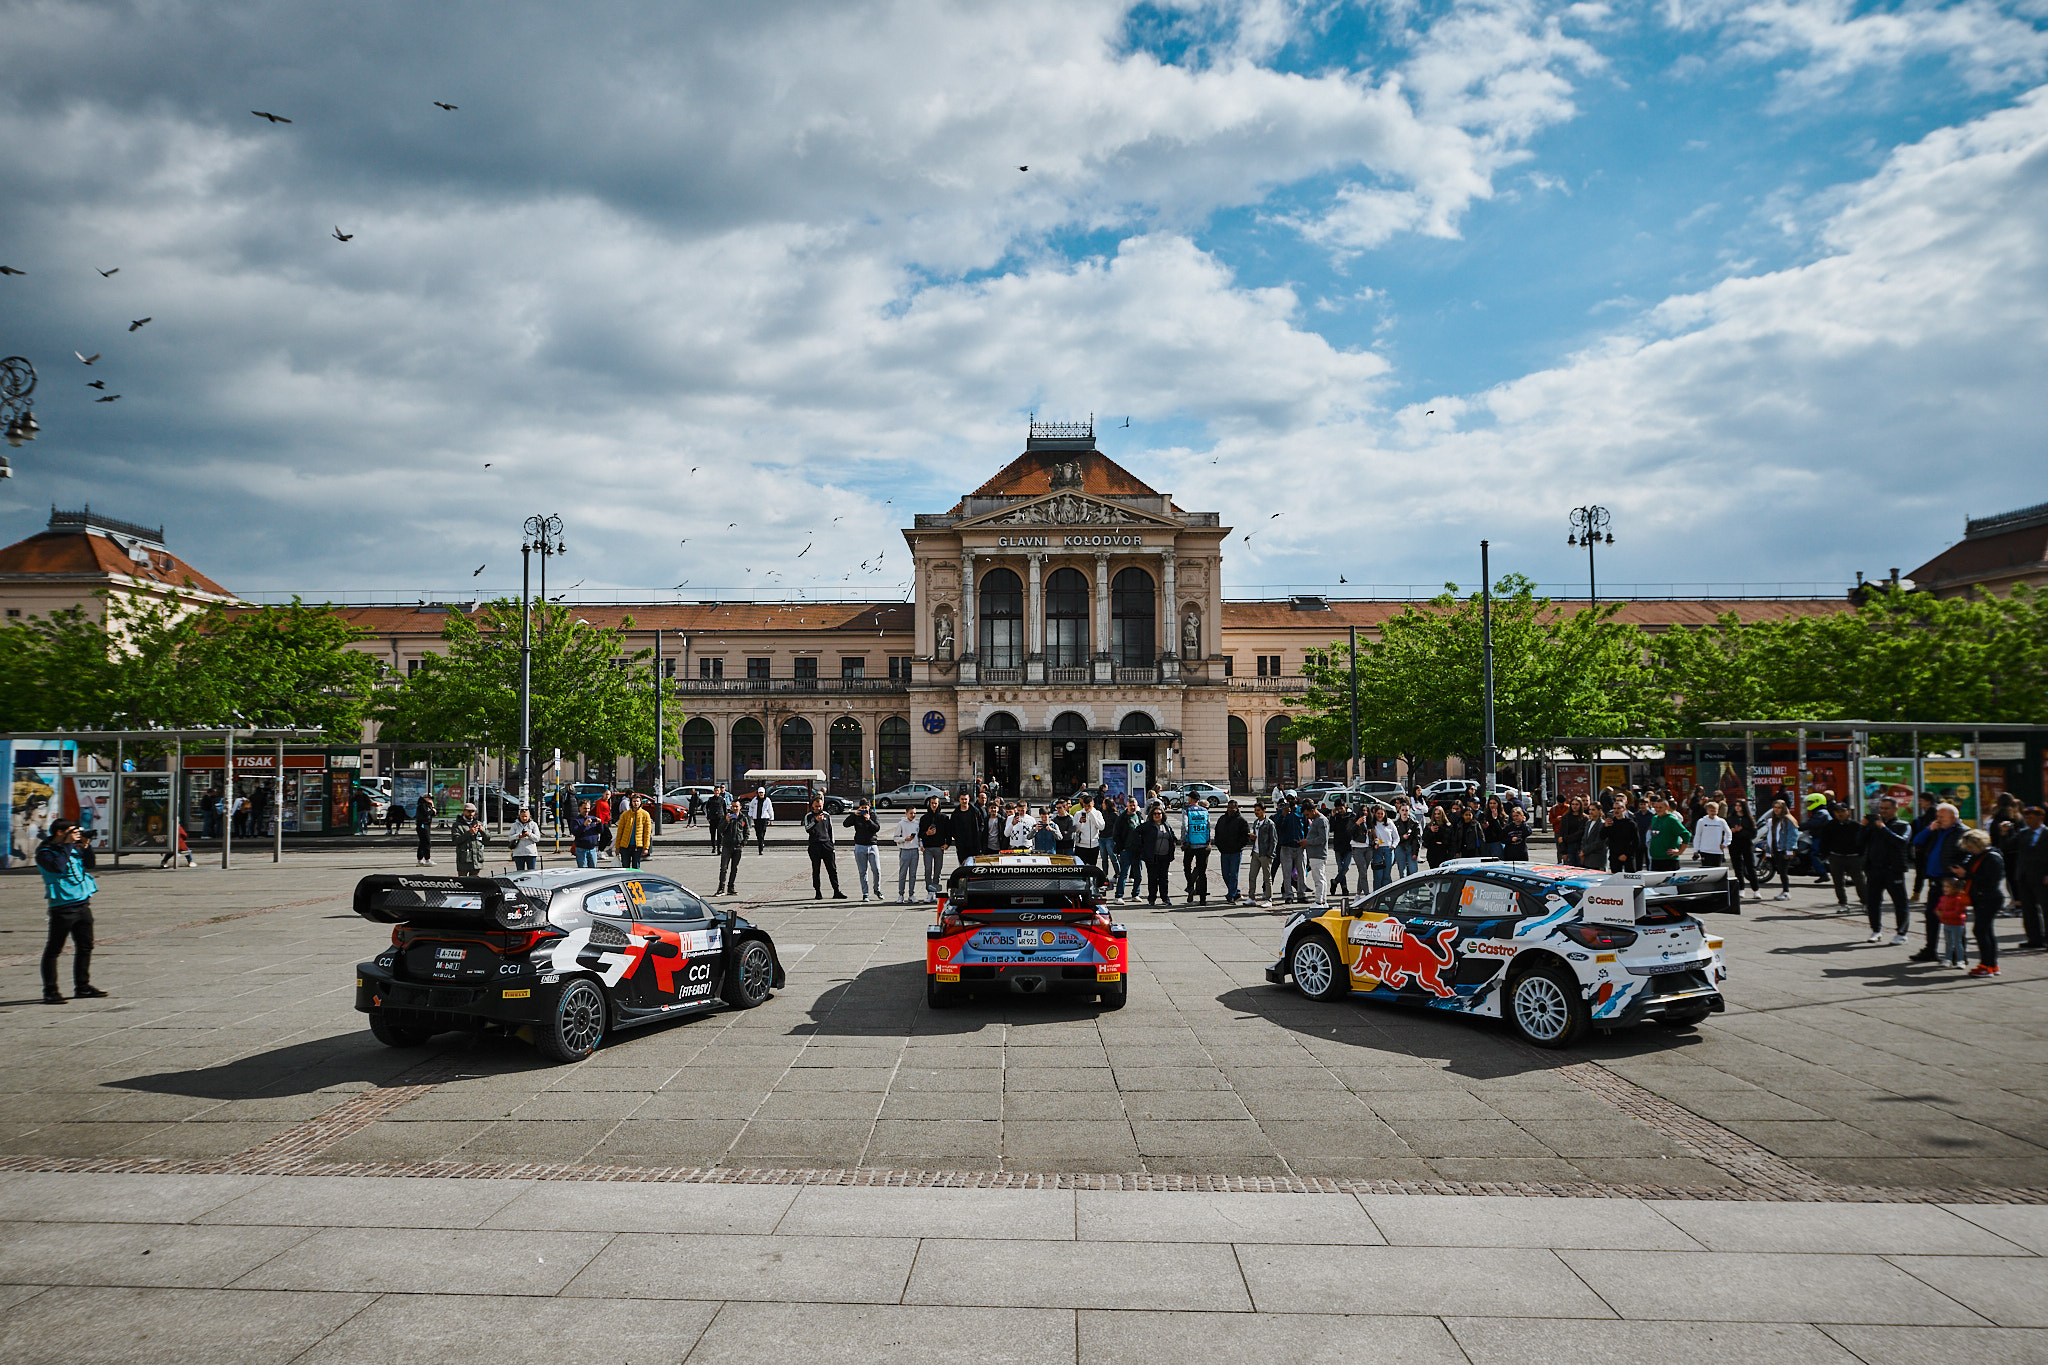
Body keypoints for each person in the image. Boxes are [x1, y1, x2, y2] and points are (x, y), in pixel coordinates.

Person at [38, 820, 107, 1005]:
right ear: (59, 832)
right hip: (62, 907)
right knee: (54, 950)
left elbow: (90, 864)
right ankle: (50, 991)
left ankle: (82, 987)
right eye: (72, 831)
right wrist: (68, 845)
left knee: (85, 947)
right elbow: (57, 867)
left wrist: (86, 846)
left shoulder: (71, 848)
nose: (76, 835)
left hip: (82, 904)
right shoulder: (45, 852)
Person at [1908, 803, 1967, 963]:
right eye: (1938, 816)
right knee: (1931, 915)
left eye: (1942, 817)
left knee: (1954, 918)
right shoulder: (1936, 830)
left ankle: (1958, 954)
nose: (1939, 820)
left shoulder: (1963, 832)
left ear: (1953, 818)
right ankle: (1930, 950)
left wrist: (1963, 868)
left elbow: (1971, 853)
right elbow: (1917, 841)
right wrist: (1929, 829)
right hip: (1935, 880)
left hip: (1951, 882)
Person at [1956, 828, 2005, 978]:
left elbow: (1990, 880)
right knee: (1986, 931)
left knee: (1980, 930)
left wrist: (1967, 875)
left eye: (1971, 847)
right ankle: (1992, 965)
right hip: (1981, 897)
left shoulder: (1992, 858)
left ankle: (1986, 965)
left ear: (1979, 844)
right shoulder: (1978, 856)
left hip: (1989, 898)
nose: (1969, 850)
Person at [1861, 797, 1911, 944]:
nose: (1883, 811)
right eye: (1881, 808)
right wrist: (1864, 827)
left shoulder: (1903, 825)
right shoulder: (1874, 825)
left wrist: (1883, 828)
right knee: (1873, 901)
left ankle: (1901, 933)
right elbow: (1859, 842)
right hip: (1874, 869)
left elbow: (1901, 842)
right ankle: (1876, 930)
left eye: (1887, 808)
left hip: (1893, 870)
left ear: (1896, 808)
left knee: (1900, 902)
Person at [2011, 806, 2048, 951]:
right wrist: (2005, 833)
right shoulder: (2023, 833)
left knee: (2046, 908)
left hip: (2042, 877)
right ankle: (2034, 938)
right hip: (2025, 876)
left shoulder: (2046, 834)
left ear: (2041, 818)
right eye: (2026, 818)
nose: (2028, 821)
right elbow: (2007, 846)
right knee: (2028, 909)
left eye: (2031, 818)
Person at [1819, 803, 1868, 909]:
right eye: (1837, 812)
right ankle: (1843, 903)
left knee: (1859, 881)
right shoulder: (1830, 825)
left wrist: (1861, 855)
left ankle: (1865, 902)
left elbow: (1863, 841)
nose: (1840, 814)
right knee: (1838, 882)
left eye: (1842, 811)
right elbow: (1824, 841)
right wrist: (1825, 854)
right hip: (1836, 857)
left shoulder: (1855, 825)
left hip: (1854, 857)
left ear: (1848, 812)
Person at [803, 798, 847, 899]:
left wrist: (832, 844)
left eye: (820, 806)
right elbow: (807, 829)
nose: (818, 808)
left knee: (832, 869)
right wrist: (816, 821)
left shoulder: (826, 815)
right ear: (812, 806)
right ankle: (818, 891)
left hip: (827, 845)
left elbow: (830, 830)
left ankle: (836, 891)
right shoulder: (809, 816)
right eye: (816, 806)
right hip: (815, 845)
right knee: (816, 869)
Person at [1137, 804, 1178, 905]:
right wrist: (1142, 847)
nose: (1156, 815)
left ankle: (1165, 898)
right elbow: (1136, 832)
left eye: (1159, 813)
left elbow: (1172, 836)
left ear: (1162, 814)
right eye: (1154, 813)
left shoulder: (1166, 825)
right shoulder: (1148, 825)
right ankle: (1152, 898)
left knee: (1164, 879)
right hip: (1152, 856)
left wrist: (1174, 842)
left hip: (1165, 856)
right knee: (1153, 878)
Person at [1759, 798, 1799, 899]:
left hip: (1784, 849)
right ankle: (1785, 891)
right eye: (1775, 807)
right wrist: (1768, 849)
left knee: (1783, 871)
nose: (1776, 809)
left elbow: (1792, 836)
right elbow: (1771, 836)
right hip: (1776, 849)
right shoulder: (1774, 820)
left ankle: (1786, 892)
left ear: (1783, 808)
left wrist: (1790, 850)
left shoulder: (1788, 820)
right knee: (1781, 871)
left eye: (1779, 808)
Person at [843, 799, 882, 902]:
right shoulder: (857, 816)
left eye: (866, 807)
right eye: (862, 807)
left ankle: (877, 889)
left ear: (869, 807)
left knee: (876, 870)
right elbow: (845, 824)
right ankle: (865, 893)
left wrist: (869, 820)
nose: (864, 809)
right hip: (860, 845)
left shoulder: (872, 815)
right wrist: (854, 815)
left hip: (872, 845)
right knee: (862, 871)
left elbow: (877, 828)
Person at [1214, 799, 1250, 904]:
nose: (1230, 810)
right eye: (1228, 807)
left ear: (1236, 808)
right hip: (1224, 851)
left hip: (1235, 852)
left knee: (1233, 874)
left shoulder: (1241, 821)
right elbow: (1217, 833)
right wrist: (1219, 845)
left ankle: (1231, 895)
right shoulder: (1222, 819)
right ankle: (1236, 892)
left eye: (1232, 808)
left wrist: (1239, 847)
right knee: (1225, 874)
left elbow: (1246, 837)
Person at [917, 796, 950, 900]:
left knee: (937, 871)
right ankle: (929, 892)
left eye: (935, 803)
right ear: (929, 804)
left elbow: (948, 832)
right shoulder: (924, 818)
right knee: (928, 870)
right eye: (932, 803)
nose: (934, 805)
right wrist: (926, 833)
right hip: (927, 848)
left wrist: (947, 844)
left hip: (939, 848)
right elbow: (920, 834)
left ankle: (935, 891)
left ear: (939, 804)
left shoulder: (944, 817)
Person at [1275, 799, 1306, 904]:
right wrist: (1283, 815)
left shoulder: (1301, 811)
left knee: (1301, 872)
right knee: (1287, 873)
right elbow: (1277, 826)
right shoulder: (1281, 812)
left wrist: (1306, 840)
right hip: (1286, 846)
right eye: (1288, 799)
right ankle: (1289, 895)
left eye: (1292, 798)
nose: (1290, 801)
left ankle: (1301, 894)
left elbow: (1307, 826)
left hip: (1299, 846)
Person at [1182, 798, 1213, 904]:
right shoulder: (1205, 812)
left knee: (1187, 866)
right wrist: (1208, 840)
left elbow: (1185, 826)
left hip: (1190, 844)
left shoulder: (1187, 811)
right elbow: (1208, 826)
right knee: (1202, 872)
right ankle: (1202, 898)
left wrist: (1184, 841)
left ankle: (1190, 886)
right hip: (1203, 844)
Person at [1302, 799, 1331, 907]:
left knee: (1318, 879)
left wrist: (1308, 842)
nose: (1307, 817)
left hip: (1318, 854)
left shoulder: (1321, 820)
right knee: (1321, 878)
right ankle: (1323, 901)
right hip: (1315, 854)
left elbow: (1322, 839)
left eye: (1308, 814)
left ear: (1313, 810)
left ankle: (1319, 901)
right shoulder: (1317, 820)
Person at [615, 793, 654, 871]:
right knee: (625, 867)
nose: (636, 803)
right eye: (634, 801)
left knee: (635, 867)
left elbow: (647, 833)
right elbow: (620, 831)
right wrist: (617, 847)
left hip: (637, 846)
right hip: (625, 846)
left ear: (640, 802)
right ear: (631, 802)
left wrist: (646, 847)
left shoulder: (645, 814)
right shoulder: (625, 814)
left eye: (637, 801)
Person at [714, 801, 746, 895]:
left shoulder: (743, 817)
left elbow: (746, 831)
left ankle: (730, 887)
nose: (735, 808)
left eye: (736, 806)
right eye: (733, 806)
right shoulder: (726, 816)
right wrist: (727, 821)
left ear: (740, 807)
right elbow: (720, 830)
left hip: (737, 846)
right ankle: (721, 888)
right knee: (723, 868)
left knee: (734, 868)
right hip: (727, 846)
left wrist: (743, 842)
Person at [1249, 800, 1278, 906]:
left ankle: (1268, 899)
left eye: (1258, 810)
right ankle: (1251, 897)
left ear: (1264, 811)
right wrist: (1252, 838)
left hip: (1265, 854)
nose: (1256, 812)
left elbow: (1274, 840)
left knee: (1267, 878)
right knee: (1252, 876)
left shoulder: (1269, 823)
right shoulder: (1256, 822)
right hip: (1256, 852)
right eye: (1255, 810)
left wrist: (1270, 854)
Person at [890, 807, 921, 902]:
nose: (913, 815)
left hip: (914, 850)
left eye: (914, 813)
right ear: (906, 813)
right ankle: (901, 894)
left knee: (913, 874)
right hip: (905, 850)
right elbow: (895, 838)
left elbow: (919, 837)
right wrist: (904, 839)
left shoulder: (917, 823)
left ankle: (911, 894)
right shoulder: (901, 824)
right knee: (903, 873)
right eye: (911, 813)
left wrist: (921, 845)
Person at [452, 802, 488, 876]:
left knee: (474, 881)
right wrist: (469, 833)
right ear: (464, 811)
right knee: (463, 880)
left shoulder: (478, 823)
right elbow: (456, 840)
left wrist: (482, 831)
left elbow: (488, 838)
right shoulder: (457, 825)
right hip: (464, 859)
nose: (471, 813)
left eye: (473, 811)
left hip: (476, 859)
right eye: (468, 811)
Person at [1693, 801, 1731, 870]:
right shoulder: (1701, 821)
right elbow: (1697, 836)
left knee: (1716, 870)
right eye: (1711, 811)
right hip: (1705, 851)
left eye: (1715, 811)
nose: (1713, 813)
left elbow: (1728, 833)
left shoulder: (1721, 821)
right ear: (1707, 810)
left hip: (1717, 851)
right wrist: (1696, 850)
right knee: (1706, 870)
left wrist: (1725, 844)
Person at [568, 800, 604, 869]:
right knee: (583, 869)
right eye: (584, 808)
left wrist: (600, 823)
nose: (586, 810)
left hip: (592, 849)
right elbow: (575, 832)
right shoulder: (576, 820)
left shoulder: (592, 818)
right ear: (579, 808)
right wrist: (584, 825)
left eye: (588, 808)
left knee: (593, 869)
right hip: (581, 849)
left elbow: (600, 831)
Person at [509, 806, 542, 871]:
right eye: (522, 816)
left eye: (526, 816)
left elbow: (537, 838)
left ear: (529, 816)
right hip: (518, 853)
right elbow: (510, 838)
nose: (524, 818)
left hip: (530, 853)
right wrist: (518, 836)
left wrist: (529, 834)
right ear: (519, 816)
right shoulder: (515, 825)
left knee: (531, 872)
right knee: (520, 872)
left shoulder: (533, 824)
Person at [747, 787, 774, 854]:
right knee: (758, 833)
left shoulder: (767, 800)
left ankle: (760, 847)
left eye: (762, 793)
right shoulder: (755, 800)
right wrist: (751, 814)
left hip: (764, 818)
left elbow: (770, 809)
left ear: (764, 793)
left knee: (762, 832)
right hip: (757, 818)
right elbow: (751, 807)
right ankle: (761, 842)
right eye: (760, 793)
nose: (761, 794)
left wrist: (771, 819)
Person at [412, 793, 436, 865]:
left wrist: (432, 807)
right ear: (425, 798)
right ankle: (427, 859)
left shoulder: (427, 805)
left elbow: (433, 813)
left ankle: (420, 859)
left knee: (422, 842)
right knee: (426, 842)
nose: (430, 800)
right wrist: (432, 810)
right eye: (429, 798)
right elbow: (427, 813)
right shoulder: (422, 805)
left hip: (426, 824)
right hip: (422, 824)